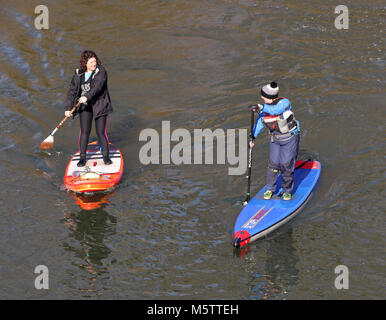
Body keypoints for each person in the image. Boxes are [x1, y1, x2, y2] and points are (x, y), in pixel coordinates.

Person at [249, 81, 300, 200]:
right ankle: (269, 189)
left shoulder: (284, 103)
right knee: (273, 165)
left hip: (290, 138)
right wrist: (252, 137)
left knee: (286, 164)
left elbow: (276, 110)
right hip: (275, 139)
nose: (261, 97)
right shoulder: (264, 110)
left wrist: (260, 107)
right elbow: (259, 124)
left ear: (271, 97)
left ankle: (287, 190)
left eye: (264, 96)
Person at [64, 50, 113, 167]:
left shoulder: (101, 72)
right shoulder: (78, 75)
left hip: (100, 104)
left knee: (101, 132)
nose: (93, 64)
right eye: (91, 62)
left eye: (94, 61)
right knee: (84, 131)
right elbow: (72, 92)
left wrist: (86, 96)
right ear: (85, 63)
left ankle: (106, 156)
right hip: (85, 107)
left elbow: (97, 87)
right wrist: (68, 108)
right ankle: (82, 158)